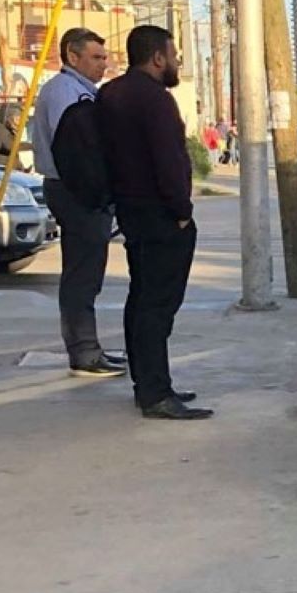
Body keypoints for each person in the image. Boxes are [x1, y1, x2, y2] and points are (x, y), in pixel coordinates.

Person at [101, 25, 211, 421]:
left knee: (142, 299)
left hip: (131, 210)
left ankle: (147, 384)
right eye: (174, 54)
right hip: (161, 216)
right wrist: (182, 211)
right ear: (157, 58)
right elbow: (167, 161)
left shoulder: (110, 94)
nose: (178, 61)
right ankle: (155, 394)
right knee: (157, 306)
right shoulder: (155, 100)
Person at [31, 28, 128, 378]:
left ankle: (89, 347)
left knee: (89, 271)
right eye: (97, 57)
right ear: (73, 57)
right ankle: (84, 351)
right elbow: (75, 151)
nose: (105, 64)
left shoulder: (82, 92)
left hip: (79, 190)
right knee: (82, 275)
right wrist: (98, 190)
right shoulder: (64, 92)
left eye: (105, 57)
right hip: (73, 190)